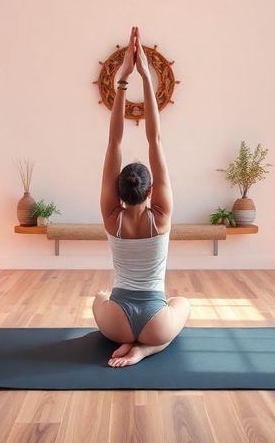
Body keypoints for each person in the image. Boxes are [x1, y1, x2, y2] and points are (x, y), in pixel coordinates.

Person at [92, 27, 191, 368]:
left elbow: (113, 143)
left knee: (99, 296)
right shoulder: (160, 215)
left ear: (118, 191)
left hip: (116, 324)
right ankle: (147, 349)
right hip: (155, 324)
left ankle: (134, 346)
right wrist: (147, 77)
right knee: (182, 302)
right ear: (151, 191)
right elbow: (155, 140)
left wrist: (122, 80)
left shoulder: (111, 216)